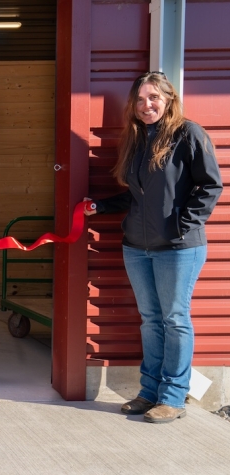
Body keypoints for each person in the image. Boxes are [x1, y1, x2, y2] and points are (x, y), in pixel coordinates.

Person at [85, 71, 222, 423]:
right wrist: (100, 205)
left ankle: (173, 398)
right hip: (137, 246)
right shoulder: (136, 139)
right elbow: (139, 195)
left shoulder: (188, 134)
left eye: (153, 98)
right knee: (150, 321)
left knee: (175, 320)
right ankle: (148, 392)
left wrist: (181, 226)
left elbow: (210, 186)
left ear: (168, 99)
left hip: (177, 248)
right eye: (141, 100)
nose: (147, 105)